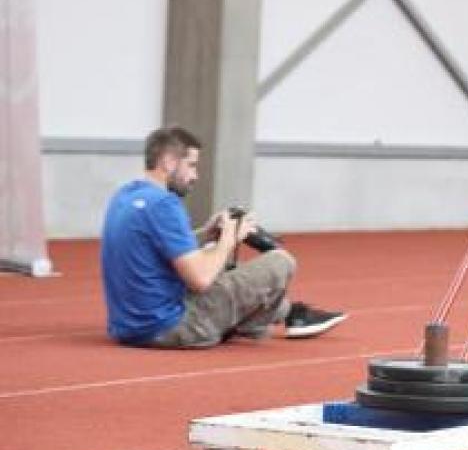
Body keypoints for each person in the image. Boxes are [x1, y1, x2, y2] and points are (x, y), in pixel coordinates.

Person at [100, 126, 346, 348]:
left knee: (225, 267)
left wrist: (207, 234)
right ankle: (277, 316)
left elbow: (157, 249)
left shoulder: (124, 197)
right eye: (192, 165)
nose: (195, 176)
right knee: (281, 261)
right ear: (168, 162)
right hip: (172, 327)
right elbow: (200, 279)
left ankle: (290, 313)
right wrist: (229, 238)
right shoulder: (165, 204)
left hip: (127, 327)